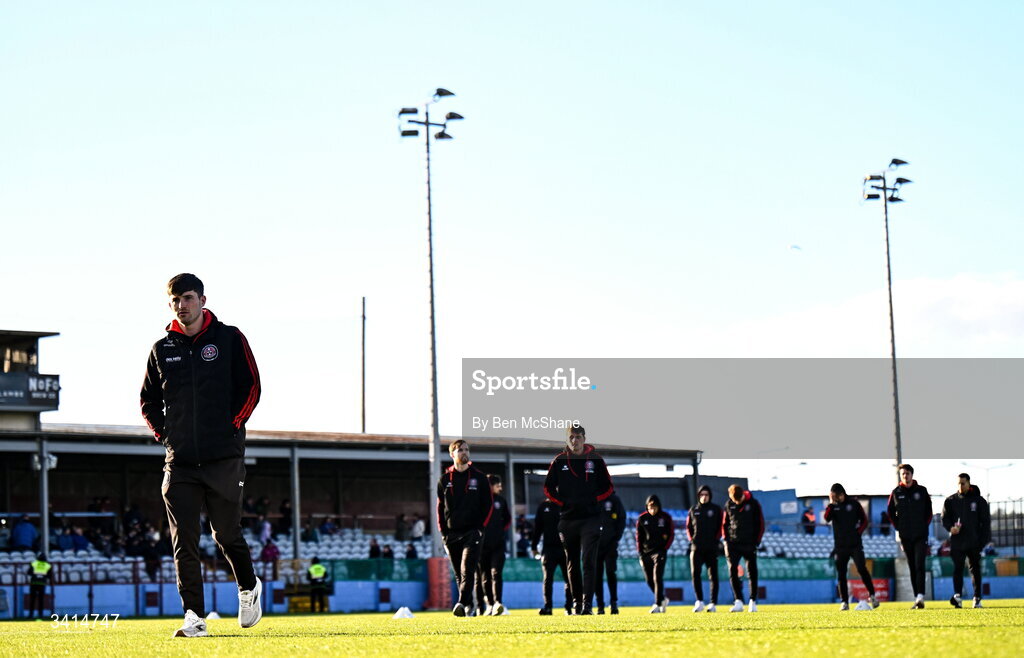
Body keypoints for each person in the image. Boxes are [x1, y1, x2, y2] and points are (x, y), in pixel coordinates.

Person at [140, 273, 263, 637]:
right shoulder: (163, 349)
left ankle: (248, 586)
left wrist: (231, 426)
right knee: (184, 541)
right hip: (179, 462)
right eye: (176, 300)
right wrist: (166, 435)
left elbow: (252, 386)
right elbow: (148, 400)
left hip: (223, 457)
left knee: (225, 533)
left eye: (188, 298)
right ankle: (194, 616)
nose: (182, 305)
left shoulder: (229, 338)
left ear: (203, 300)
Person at [543, 424, 614, 615]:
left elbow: (608, 487)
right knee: (572, 563)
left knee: (588, 561)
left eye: (578, 437)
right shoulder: (558, 461)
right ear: (567, 440)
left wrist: (592, 500)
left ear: (584, 438)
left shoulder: (596, 460)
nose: (575, 441)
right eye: (571, 437)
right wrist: (562, 503)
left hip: (590, 519)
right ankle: (577, 603)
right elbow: (547, 488)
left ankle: (588, 605)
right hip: (567, 520)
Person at [436, 439, 493, 617]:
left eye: (466, 449)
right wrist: (443, 532)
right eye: (460, 450)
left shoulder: (480, 478)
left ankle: (461, 603)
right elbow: (440, 508)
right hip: (452, 533)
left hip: (473, 532)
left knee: (468, 568)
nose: (464, 452)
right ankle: (469, 605)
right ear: (452, 454)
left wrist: (480, 527)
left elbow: (488, 505)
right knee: (459, 574)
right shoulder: (444, 480)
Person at [824, 483, 878, 610]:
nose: (838, 498)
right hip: (840, 546)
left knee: (861, 568)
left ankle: (873, 595)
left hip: (855, 544)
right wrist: (831, 504)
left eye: (838, 496)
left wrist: (857, 532)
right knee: (841, 574)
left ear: (842, 493)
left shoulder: (854, 504)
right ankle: (844, 602)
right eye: (834, 496)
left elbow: (864, 521)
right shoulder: (833, 507)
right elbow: (826, 518)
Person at [941, 473, 991, 609]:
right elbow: (944, 519)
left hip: (974, 542)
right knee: (957, 569)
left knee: (975, 570)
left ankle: (977, 598)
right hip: (957, 542)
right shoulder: (950, 501)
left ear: (969, 483)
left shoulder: (979, 501)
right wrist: (951, 528)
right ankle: (957, 596)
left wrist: (982, 542)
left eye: (963, 483)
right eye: (958, 483)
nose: (960, 486)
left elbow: (986, 523)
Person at [886, 463, 932, 609]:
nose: (905, 476)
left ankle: (920, 596)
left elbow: (929, 512)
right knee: (912, 566)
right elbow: (890, 512)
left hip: (920, 534)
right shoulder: (895, 492)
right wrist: (898, 527)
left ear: (912, 474)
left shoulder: (922, 491)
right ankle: (916, 598)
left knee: (920, 564)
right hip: (905, 536)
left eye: (907, 473)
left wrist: (923, 526)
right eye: (903, 474)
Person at [723, 484, 764, 613]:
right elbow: (725, 524)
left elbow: (760, 523)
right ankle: (738, 601)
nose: (737, 502)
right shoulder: (729, 504)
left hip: (749, 543)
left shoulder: (753, 503)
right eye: (735, 500)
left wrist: (757, 541)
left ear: (743, 495)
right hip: (733, 544)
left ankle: (753, 601)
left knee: (752, 572)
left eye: (739, 499)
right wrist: (726, 540)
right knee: (732, 571)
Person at [479, 474, 512, 616]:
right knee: (485, 576)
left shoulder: (501, 501)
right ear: (490, 486)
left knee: (496, 573)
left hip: (498, 544)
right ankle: (490, 604)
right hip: (482, 545)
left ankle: (498, 602)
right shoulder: (479, 500)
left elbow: (508, 520)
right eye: (497, 485)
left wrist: (499, 532)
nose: (500, 488)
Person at [687, 485, 723, 612]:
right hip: (697, 548)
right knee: (695, 574)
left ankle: (713, 603)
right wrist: (692, 540)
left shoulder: (716, 509)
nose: (704, 497)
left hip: (711, 547)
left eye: (706, 495)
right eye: (702, 495)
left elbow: (721, 526)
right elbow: (688, 527)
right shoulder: (694, 509)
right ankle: (699, 601)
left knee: (713, 575)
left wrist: (716, 540)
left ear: (710, 496)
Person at [532, 498, 571, 615]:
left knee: (569, 578)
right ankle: (548, 607)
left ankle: (569, 607)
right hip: (548, 549)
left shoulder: (567, 505)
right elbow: (537, 528)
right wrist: (534, 546)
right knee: (548, 579)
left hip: (566, 548)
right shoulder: (543, 507)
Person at [636, 494, 674, 613]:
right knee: (649, 580)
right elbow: (639, 537)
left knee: (657, 577)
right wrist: (640, 552)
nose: (652, 510)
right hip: (646, 552)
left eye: (654, 507)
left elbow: (671, 534)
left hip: (659, 552)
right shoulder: (642, 518)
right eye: (650, 507)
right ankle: (663, 599)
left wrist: (665, 548)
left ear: (658, 507)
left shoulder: (666, 517)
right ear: (647, 507)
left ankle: (657, 604)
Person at [595, 492, 626, 614]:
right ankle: (600, 606)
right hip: (596, 544)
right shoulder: (593, 497)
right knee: (597, 575)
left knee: (610, 572)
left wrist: (616, 538)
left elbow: (621, 518)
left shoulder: (614, 500)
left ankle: (613, 603)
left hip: (610, 544)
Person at [27, 553, 51, 619]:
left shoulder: (34, 563)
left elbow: (29, 573)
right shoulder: (48, 565)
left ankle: (31, 615)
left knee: (32, 600)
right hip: (42, 584)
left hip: (34, 583)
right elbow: (50, 576)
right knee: (41, 600)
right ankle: (40, 615)